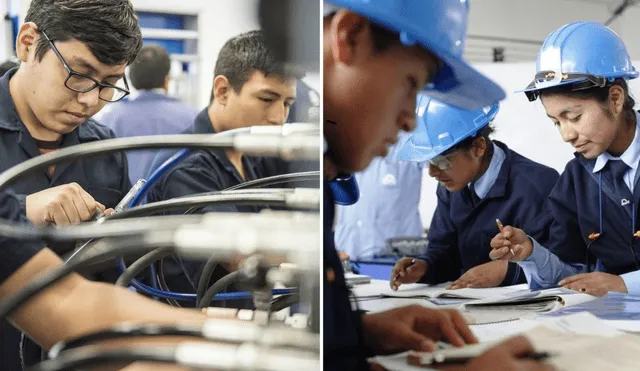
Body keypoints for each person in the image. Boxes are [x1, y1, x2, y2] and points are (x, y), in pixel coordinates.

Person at [323, 1, 554, 370]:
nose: (409, 122)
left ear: (479, 148)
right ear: (349, 38)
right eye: (410, 84)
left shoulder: (539, 184)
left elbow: (562, 267)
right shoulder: (319, 175)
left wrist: (360, 332)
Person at [0, 0, 142, 368]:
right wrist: (22, 211)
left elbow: (113, 282)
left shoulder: (106, 151)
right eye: (79, 74)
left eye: (109, 83)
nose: (90, 100)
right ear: (28, 44)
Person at [144, 30, 305, 308]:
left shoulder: (255, 154)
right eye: (267, 99)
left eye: (287, 104)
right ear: (223, 91)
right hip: (195, 336)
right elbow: (240, 254)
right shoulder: (184, 164)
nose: (279, 118)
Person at [489, 21, 640, 298]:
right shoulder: (575, 179)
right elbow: (572, 277)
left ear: (615, 99)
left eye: (574, 117)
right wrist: (533, 254)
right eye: (556, 122)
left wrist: (624, 284)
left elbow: (612, 284)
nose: (567, 135)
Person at [390, 96, 559, 290]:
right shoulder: (450, 187)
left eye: (442, 161)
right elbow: (444, 252)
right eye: (429, 161)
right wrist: (424, 266)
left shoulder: (537, 185)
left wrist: (507, 271)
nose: (433, 173)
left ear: (478, 147)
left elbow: (562, 263)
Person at [100, 44, 198, 182]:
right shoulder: (193, 117)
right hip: (179, 201)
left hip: (125, 201)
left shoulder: (109, 118)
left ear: (131, 80)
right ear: (167, 80)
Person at [334, 134, 425, 261]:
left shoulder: (411, 139)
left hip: (395, 259)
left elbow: (440, 158)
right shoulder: (347, 141)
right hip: (347, 253)